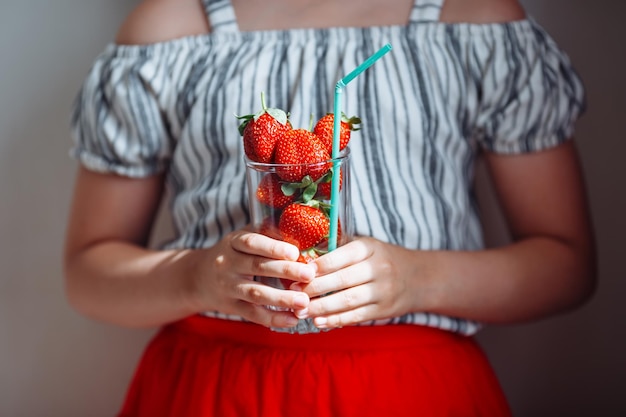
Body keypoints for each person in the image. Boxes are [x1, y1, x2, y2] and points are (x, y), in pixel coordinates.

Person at [64, 0, 596, 415]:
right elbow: (88, 273)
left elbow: (566, 266)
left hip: (409, 392)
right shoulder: (167, 32)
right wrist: (198, 276)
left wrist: (417, 279)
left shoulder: (479, 26)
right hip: (216, 390)